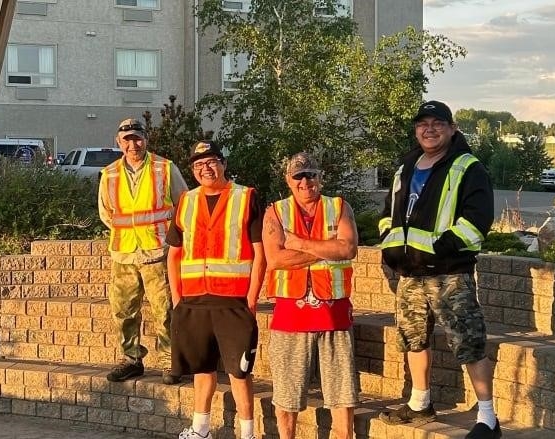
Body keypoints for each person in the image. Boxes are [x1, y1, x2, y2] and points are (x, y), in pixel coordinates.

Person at [377, 101, 500, 438]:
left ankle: (487, 418)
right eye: (422, 124)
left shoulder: (468, 167)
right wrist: (390, 243)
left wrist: (434, 250)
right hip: (410, 273)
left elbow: (476, 223)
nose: (429, 129)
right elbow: (388, 213)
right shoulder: (405, 167)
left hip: (449, 273)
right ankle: (420, 403)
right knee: (413, 339)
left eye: (437, 123)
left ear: (452, 128)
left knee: (468, 342)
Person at [167, 140, 265, 439]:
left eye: (211, 162)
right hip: (194, 300)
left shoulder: (246, 196)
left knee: (239, 371)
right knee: (201, 368)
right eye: (198, 165)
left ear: (223, 163)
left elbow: (260, 252)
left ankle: (247, 433)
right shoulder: (186, 200)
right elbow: (173, 253)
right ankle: (201, 430)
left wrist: (251, 297)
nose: (205, 169)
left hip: (233, 300)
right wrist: (177, 297)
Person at [262, 152, 360, 439]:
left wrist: (300, 244)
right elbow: (276, 259)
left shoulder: (340, 207)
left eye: (311, 174)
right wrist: (325, 249)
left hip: (334, 312)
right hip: (290, 314)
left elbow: (348, 249)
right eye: (298, 176)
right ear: (288, 180)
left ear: (320, 177)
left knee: (342, 393)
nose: (305, 181)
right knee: (286, 394)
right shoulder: (275, 212)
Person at [98, 118, 188, 385]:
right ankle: (131, 359)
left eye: (137, 138)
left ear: (145, 140)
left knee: (165, 310)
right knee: (123, 310)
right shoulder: (109, 174)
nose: (132, 144)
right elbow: (106, 213)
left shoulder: (164, 167)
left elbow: (184, 204)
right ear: (118, 142)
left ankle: (169, 361)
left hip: (157, 251)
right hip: (124, 254)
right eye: (127, 139)